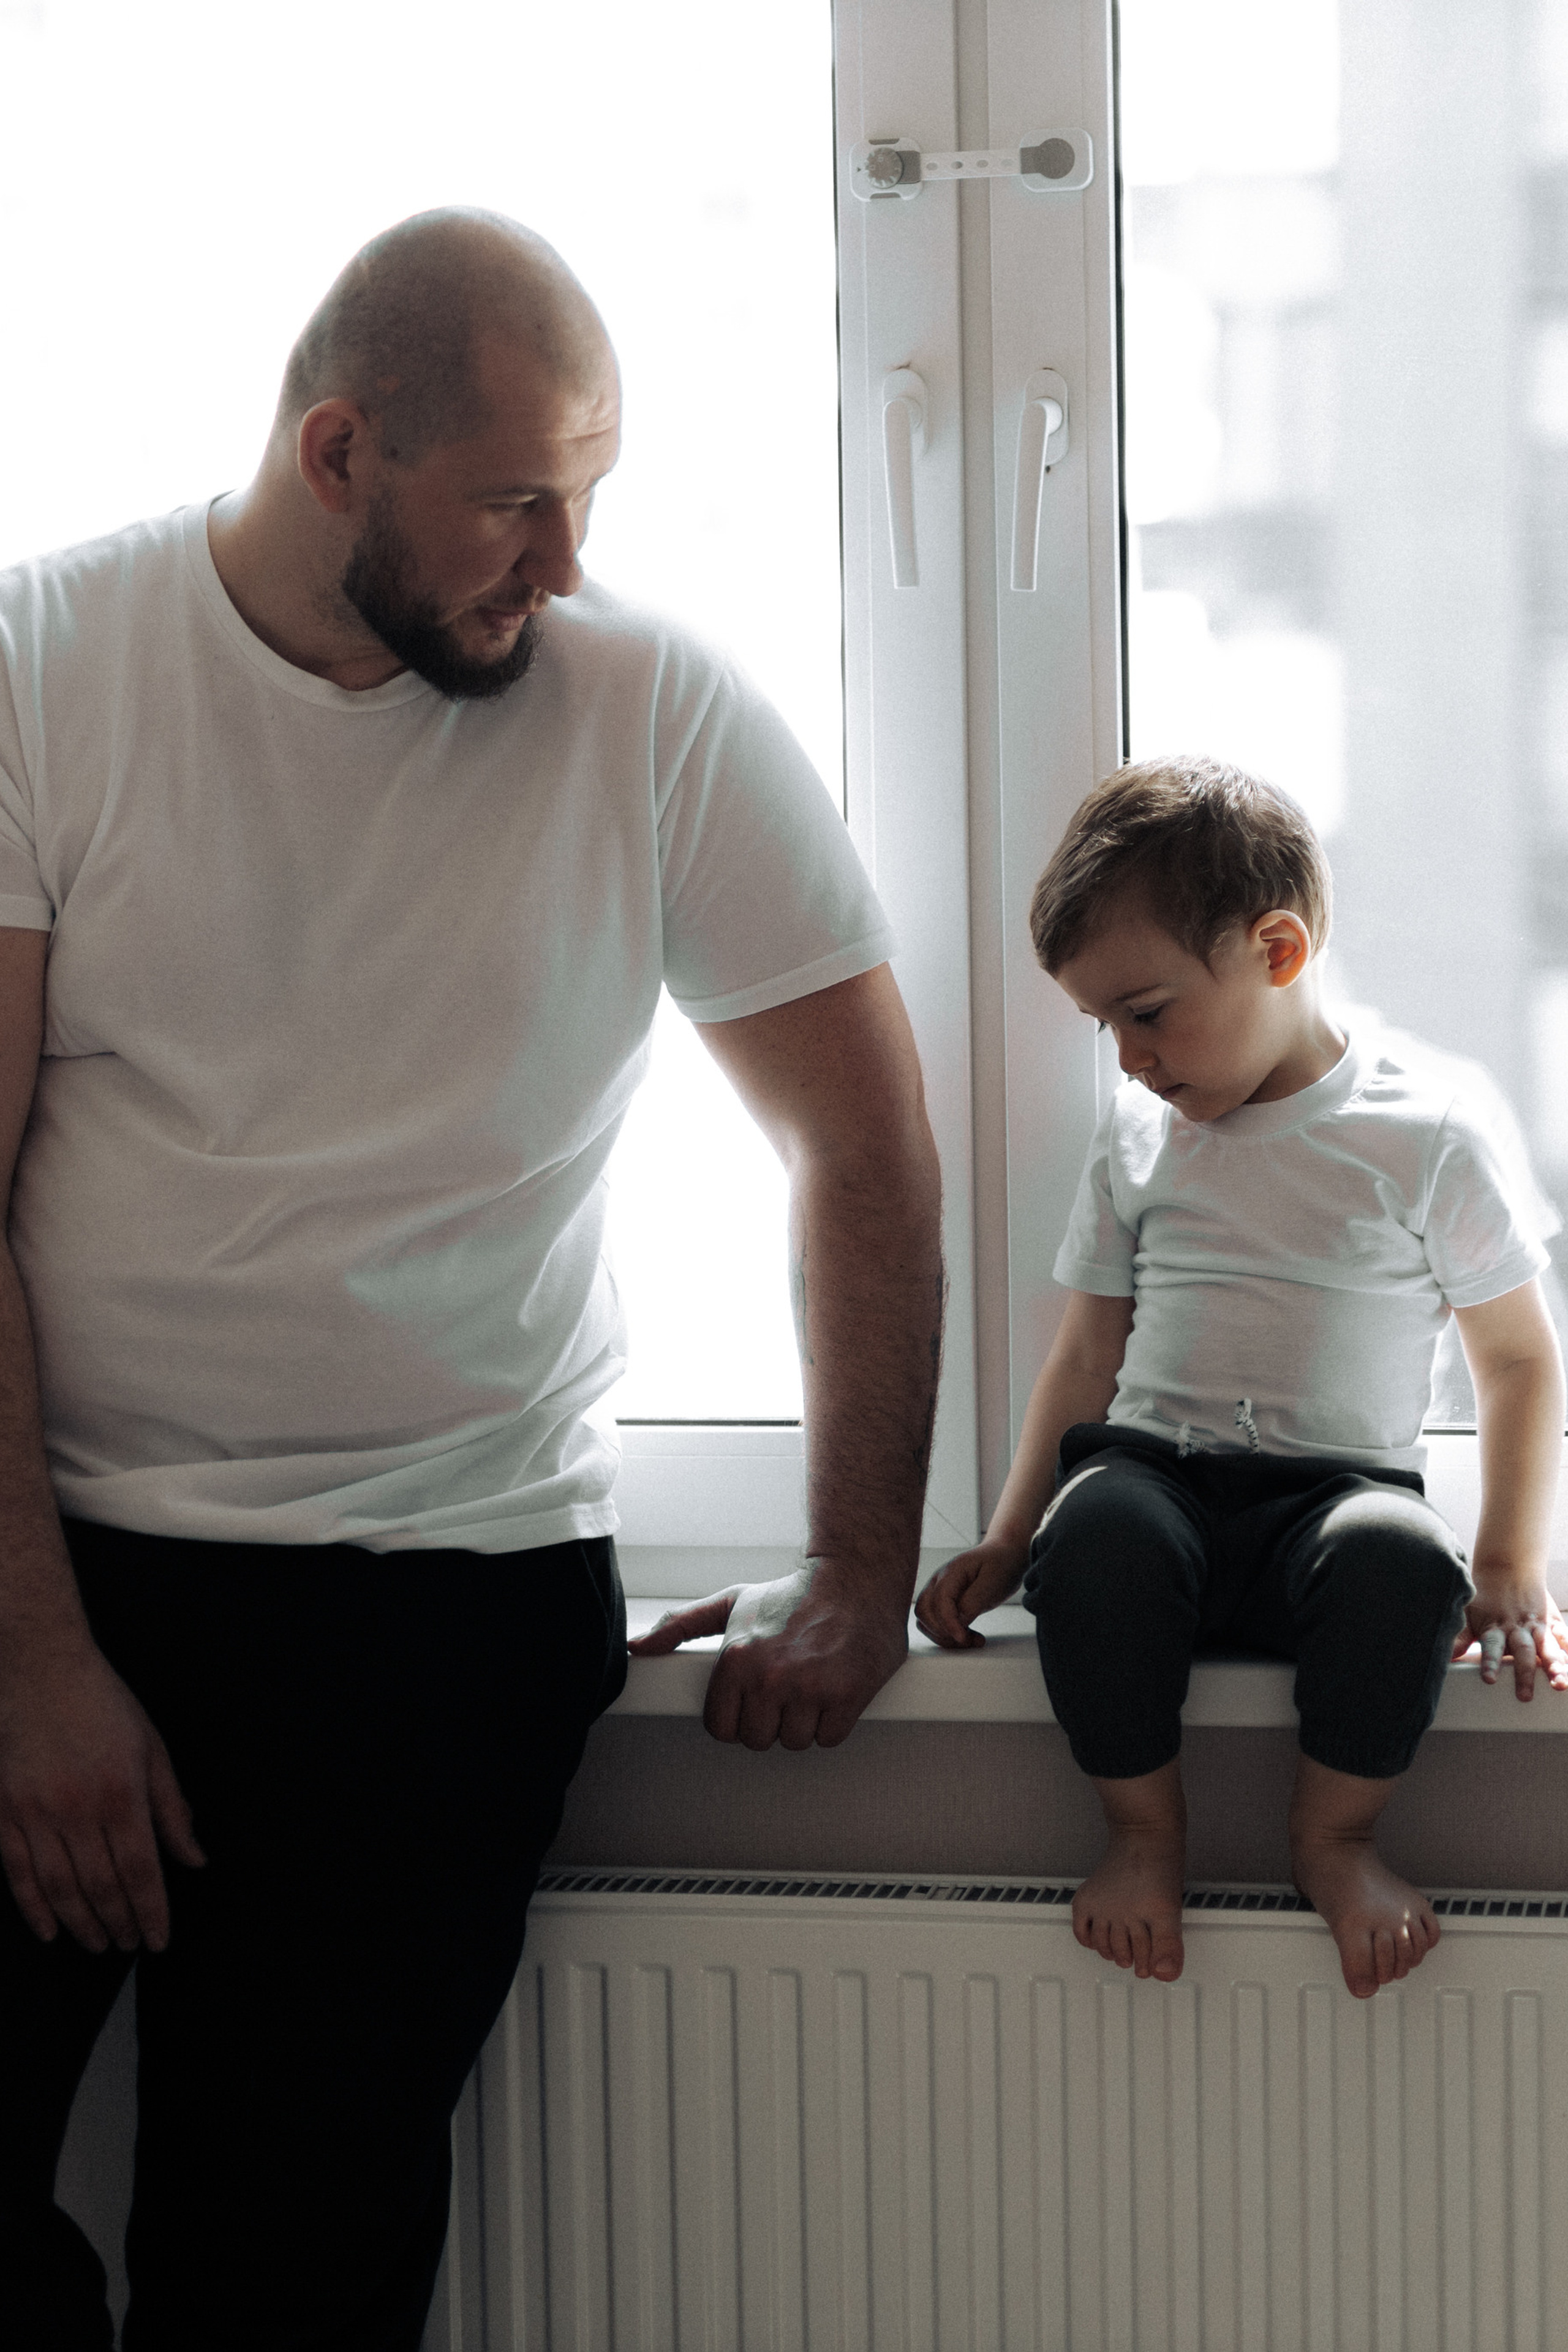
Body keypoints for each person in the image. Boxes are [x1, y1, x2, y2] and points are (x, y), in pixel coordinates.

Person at [0, 209, 944, 2348]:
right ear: (339, 453)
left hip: (441, 1594)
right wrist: (35, 1664)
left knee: (290, 2271)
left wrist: (856, 1573)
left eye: (591, 495)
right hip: (59, 1561)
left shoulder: (655, 714)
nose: (570, 562)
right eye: (519, 501)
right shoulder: (44, 670)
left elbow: (865, 1152)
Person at [917, 756, 1566, 2000]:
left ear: (1276, 952)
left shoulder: (1422, 1131)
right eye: (1100, 1026)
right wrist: (1006, 1540)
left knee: (1401, 1560)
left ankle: (1335, 1839)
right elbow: (1084, 1355)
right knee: (1091, 1527)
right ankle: (1140, 1837)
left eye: (1146, 1013)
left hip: (1331, 1502)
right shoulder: (1137, 1140)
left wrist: (1506, 1570)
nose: (1125, 1059)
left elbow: (1519, 1357)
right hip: (1156, 1484)